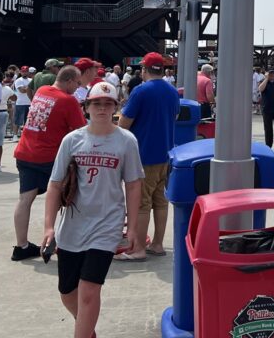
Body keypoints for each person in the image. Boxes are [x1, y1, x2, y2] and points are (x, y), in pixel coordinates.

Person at [42, 81, 144, 338]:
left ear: (115, 108)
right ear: (86, 107)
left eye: (108, 104)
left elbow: (133, 186)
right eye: (96, 103)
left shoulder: (126, 141)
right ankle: (87, 330)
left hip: (107, 225)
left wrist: (132, 227)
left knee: (89, 290)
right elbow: (54, 186)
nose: (102, 108)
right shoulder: (72, 140)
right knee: (67, 292)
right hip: (73, 226)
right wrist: (48, 226)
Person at [11, 65, 87, 261]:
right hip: (49, 156)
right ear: (69, 80)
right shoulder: (68, 100)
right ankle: (62, 241)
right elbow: (82, 130)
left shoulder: (42, 91)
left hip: (25, 152)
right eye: (77, 83)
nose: (78, 87)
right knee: (67, 198)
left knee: (25, 200)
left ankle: (21, 246)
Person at [117, 51, 180, 260]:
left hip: (143, 155)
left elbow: (123, 123)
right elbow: (176, 115)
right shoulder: (172, 91)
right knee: (161, 202)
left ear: (144, 69)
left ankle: (137, 249)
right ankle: (158, 244)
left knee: (141, 204)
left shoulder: (140, 91)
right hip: (166, 154)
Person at [258, 68, 274, 152]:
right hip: (266, 108)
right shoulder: (263, 81)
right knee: (268, 128)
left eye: (272, 73)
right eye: (269, 74)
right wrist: (266, 79)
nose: (271, 75)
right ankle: (268, 145)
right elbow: (260, 89)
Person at [14, 67, 32, 134]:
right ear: (21, 72)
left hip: (29, 103)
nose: (25, 73)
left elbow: (30, 90)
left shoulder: (31, 80)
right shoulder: (18, 80)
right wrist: (29, 88)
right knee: (17, 121)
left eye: (26, 71)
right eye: (23, 71)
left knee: (27, 121)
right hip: (20, 103)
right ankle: (15, 135)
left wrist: (25, 87)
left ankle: (25, 135)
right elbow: (22, 91)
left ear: (28, 72)